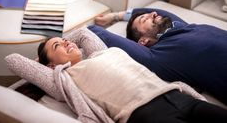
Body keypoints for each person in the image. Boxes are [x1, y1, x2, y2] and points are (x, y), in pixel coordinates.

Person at [38, 27, 227, 123]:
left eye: (65, 40)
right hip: (146, 113)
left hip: (176, 96)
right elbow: (14, 61)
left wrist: (62, 44)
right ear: (51, 64)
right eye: (58, 46)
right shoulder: (64, 78)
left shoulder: (101, 52)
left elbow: (83, 33)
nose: (66, 43)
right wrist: (43, 63)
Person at [93, 8, 227, 105]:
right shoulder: (160, 56)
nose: (153, 14)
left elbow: (158, 11)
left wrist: (116, 16)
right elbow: (100, 33)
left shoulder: (179, 27)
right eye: (144, 19)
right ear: (143, 41)